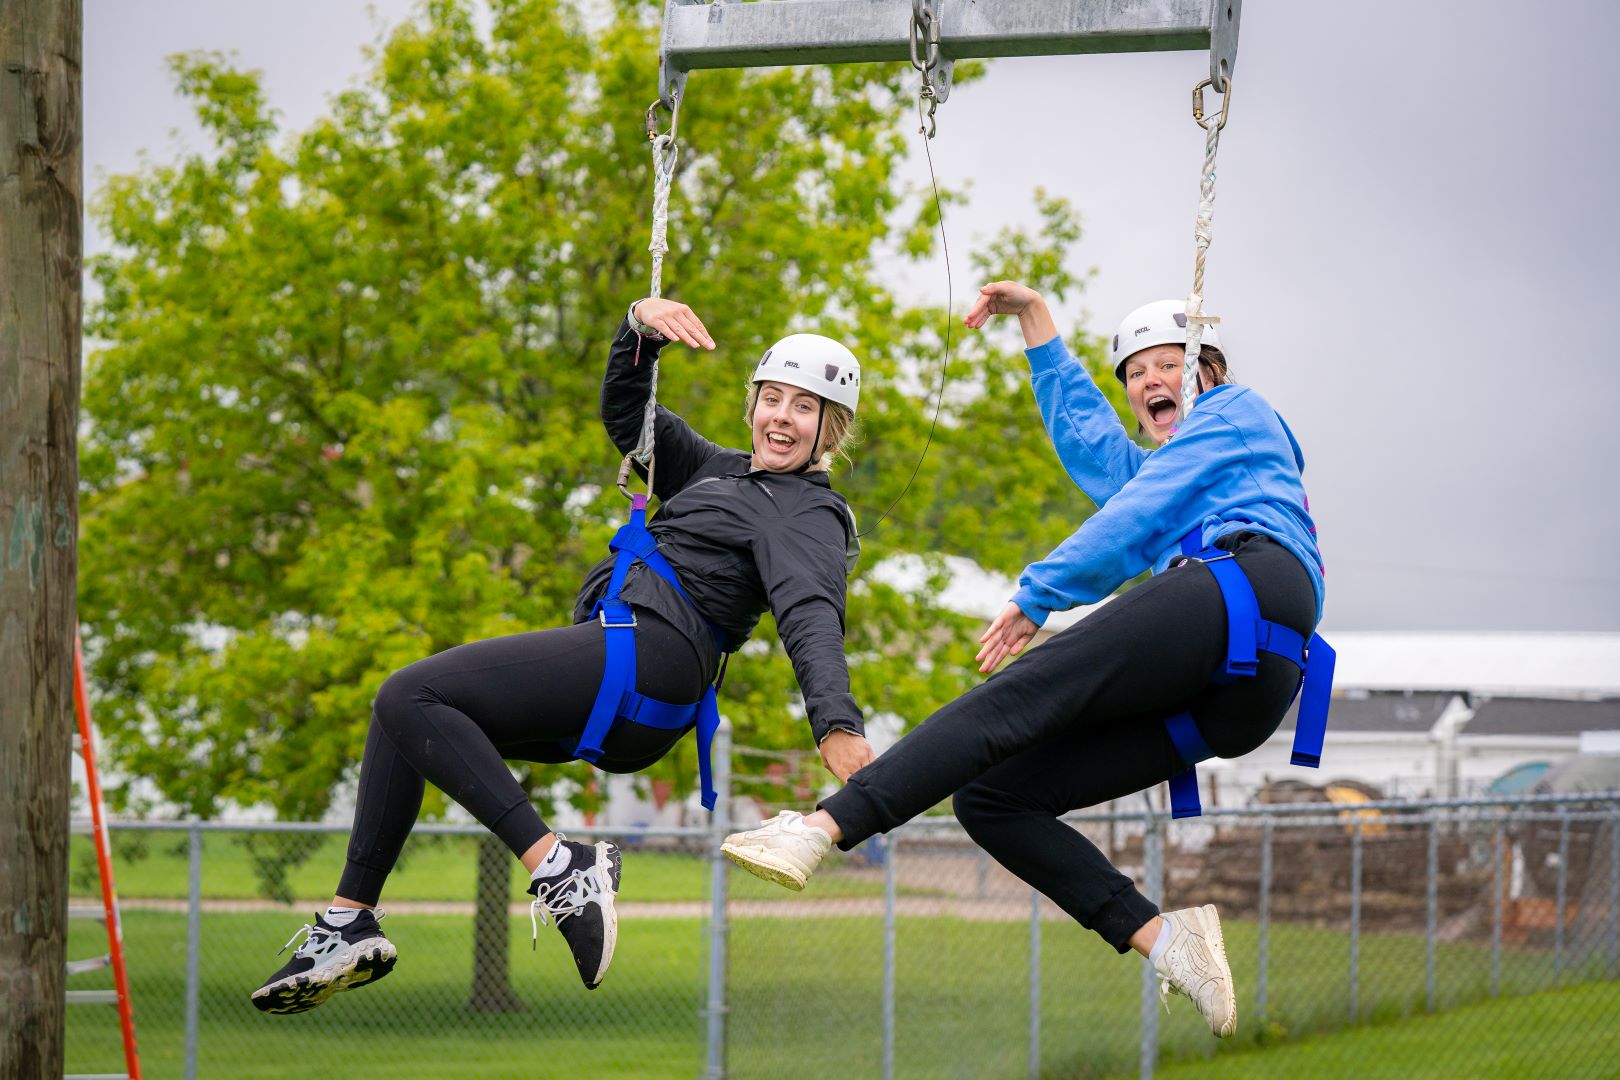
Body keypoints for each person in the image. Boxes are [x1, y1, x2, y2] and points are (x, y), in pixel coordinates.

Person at [722, 281, 1326, 1039]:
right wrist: (1038, 325)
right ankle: (1169, 943)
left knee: (1026, 693)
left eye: (1168, 365)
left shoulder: (1238, 413)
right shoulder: (1168, 472)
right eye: (1135, 375)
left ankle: (826, 828)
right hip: (1235, 700)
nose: (1149, 384)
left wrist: (1041, 594)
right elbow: (1098, 453)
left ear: (1208, 370)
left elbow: (1134, 515)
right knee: (994, 799)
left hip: (1250, 593)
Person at [252, 297, 876, 1013]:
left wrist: (836, 723)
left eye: (804, 407)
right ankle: (347, 921)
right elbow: (627, 415)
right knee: (405, 719)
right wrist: (637, 329)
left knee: (409, 694)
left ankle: (562, 867)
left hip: (652, 659)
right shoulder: (716, 468)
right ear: (752, 405)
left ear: (831, 429)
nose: (781, 418)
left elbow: (810, 614)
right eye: (771, 399)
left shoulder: (807, 512)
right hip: (632, 674)